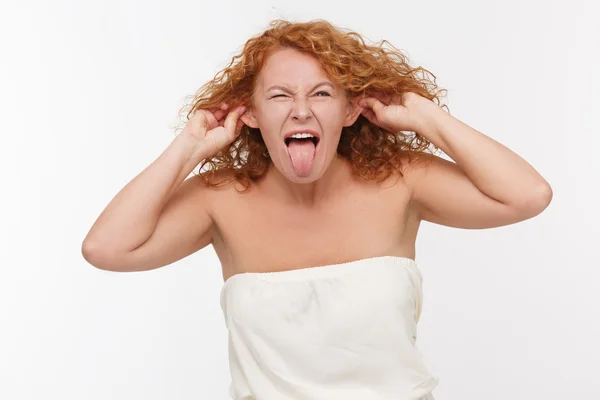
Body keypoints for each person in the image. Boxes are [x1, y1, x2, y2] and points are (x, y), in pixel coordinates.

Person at [82, 19, 553, 400]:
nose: (301, 111)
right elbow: (105, 248)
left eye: (322, 93)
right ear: (250, 114)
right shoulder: (218, 198)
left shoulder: (402, 181)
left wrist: (429, 118)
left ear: (350, 111)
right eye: (280, 95)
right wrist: (188, 149)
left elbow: (527, 195)